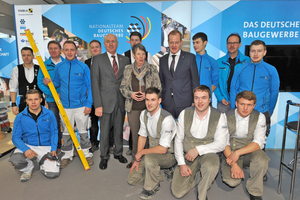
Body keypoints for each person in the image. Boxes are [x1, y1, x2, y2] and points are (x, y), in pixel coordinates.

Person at [171, 85, 228, 200]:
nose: (200, 101)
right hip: (187, 155)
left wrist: (198, 150)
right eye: (197, 98)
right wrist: (181, 163)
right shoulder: (184, 113)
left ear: (210, 99)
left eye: (204, 98)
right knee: (177, 192)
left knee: (211, 167)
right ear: (193, 99)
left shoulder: (220, 116)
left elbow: (221, 143)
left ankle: (202, 192)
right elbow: (178, 140)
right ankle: (198, 175)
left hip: (208, 154)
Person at [43, 41, 93, 168]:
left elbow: (90, 87)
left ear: (76, 51)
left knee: (83, 131)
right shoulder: (59, 67)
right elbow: (56, 83)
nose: (69, 52)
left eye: (72, 50)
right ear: (63, 51)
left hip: (81, 105)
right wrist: (49, 82)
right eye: (67, 50)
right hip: (64, 106)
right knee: (66, 131)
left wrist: (89, 104)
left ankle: (87, 154)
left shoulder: (83, 67)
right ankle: (67, 155)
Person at [127, 87, 176, 200]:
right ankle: (161, 172)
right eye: (147, 100)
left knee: (149, 160)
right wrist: (138, 158)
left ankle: (152, 187)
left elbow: (163, 149)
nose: (149, 103)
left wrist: (142, 153)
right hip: (152, 153)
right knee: (132, 179)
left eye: (153, 100)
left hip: (168, 155)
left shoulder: (167, 119)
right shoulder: (144, 114)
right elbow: (143, 136)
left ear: (159, 100)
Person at [91, 34, 130, 170]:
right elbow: (95, 84)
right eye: (108, 41)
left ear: (117, 43)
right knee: (105, 131)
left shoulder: (125, 60)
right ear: (105, 44)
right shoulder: (97, 59)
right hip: (104, 102)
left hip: (120, 102)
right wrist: (98, 105)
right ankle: (104, 157)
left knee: (119, 130)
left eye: (113, 41)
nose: (111, 44)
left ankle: (118, 153)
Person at [221, 91, 269, 200]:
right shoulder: (224, 116)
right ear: (236, 103)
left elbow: (258, 142)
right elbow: (223, 142)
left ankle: (255, 191)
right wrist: (234, 164)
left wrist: (238, 153)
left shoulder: (260, 117)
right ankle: (232, 167)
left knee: (262, 159)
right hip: (230, 150)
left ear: (254, 106)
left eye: (249, 105)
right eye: (242, 104)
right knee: (232, 182)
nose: (245, 108)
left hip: (249, 150)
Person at [120, 44, 161, 169]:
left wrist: (147, 95)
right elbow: (122, 88)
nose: (141, 56)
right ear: (133, 55)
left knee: (150, 134)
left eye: (143, 54)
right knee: (136, 135)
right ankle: (135, 158)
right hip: (133, 108)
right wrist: (131, 94)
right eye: (138, 54)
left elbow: (158, 87)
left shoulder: (152, 69)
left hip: (149, 108)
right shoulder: (127, 69)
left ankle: (149, 159)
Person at [230, 40, 280, 137]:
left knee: (259, 145)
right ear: (249, 52)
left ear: (264, 52)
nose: (256, 54)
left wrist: (270, 111)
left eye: (259, 51)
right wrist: (234, 109)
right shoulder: (240, 69)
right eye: (253, 51)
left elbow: (274, 92)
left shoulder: (271, 70)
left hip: (262, 112)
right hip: (241, 112)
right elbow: (233, 90)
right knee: (238, 143)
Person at [8, 89, 60, 182]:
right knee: (16, 160)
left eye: (36, 99)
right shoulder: (20, 117)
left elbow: (54, 132)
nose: (33, 102)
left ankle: (42, 162)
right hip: (29, 145)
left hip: (45, 146)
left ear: (41, 100)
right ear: (26, 101)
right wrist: (25, 149)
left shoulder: (49, 114)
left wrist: (53, 148)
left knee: (53, 173)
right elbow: (15, 137)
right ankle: (28, 168)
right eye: (30, 100)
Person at [159, 30, 199, 119]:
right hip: (167, 103)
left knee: (184, 130)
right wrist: (161, 99)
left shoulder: (190, 58)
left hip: (185, 102)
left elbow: (195, 81)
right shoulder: (162, 60)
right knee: (168, 130)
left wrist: (194, 100)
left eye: (176, 42)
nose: (174, 45)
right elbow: (161, 81)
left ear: (181, 42)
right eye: (172, 42)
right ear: (168, 42)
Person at [37, 41, 65, 151]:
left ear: (60, 50)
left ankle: (69, 146)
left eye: (55, 48)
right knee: (54, 124)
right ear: (48, 50)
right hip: (52, 100)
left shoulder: (66, 62)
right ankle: (57, 147)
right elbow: (40, 83)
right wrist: (52, 93)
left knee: (68, 123)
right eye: (51, 48)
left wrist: (63, 93)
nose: (53, 50)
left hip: (66, 99)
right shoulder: (44, 65)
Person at [214, 33, 250, 113]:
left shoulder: (247, 61)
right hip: (223, 103)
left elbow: (249, 83)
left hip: (241, 103)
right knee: (223, 125)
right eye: (229, 43)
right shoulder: (219, 62)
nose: (232, 45)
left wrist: (239, 99)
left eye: (235, 43)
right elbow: (214, 82)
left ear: (239, 44)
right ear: (226, 45)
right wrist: (221, 98)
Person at [9, 47, 44, 115]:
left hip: (39, 102)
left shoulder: (40, 68)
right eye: (24, 55)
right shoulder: (16, 69)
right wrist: (13, 104)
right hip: (24, 102)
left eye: (28, 55)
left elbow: (45, 86)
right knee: (25, 123)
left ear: (33, 56)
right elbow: (13, 88)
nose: (26, 57)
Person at [84, 40, 102, 153]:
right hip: (91, 97)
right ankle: (94, 142)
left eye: (97, 47)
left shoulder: (107, 61)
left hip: (105, 97)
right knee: (93, 123)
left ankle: (109, 144)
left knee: (107, 123)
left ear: (101, 48)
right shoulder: (86, 62)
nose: (95, 49)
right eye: (92, 47)